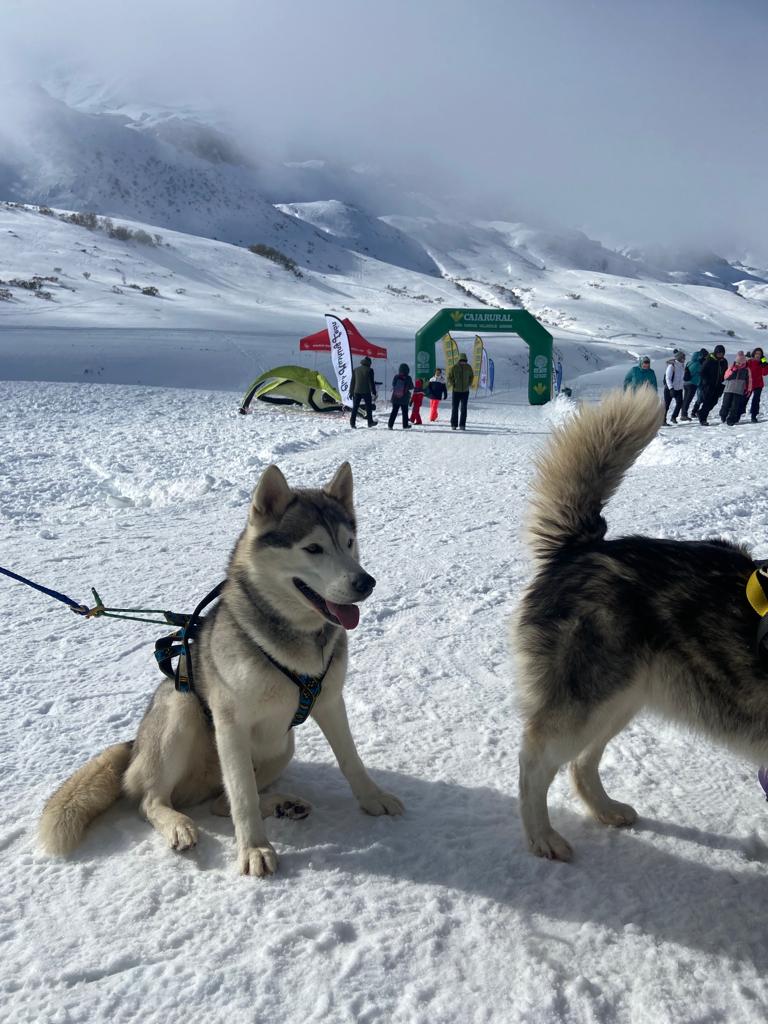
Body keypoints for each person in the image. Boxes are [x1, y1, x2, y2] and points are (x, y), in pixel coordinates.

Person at [697, 344, 728, 425]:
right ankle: (703, 418)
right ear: (715, 352)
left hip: (719, 386)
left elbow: (726, 373)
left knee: (714, 402)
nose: (720, 354)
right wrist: (707, 381)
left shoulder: (724, 361)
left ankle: (701, 412)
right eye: (718, 353)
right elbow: (702, 372)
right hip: (709, 385)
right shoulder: (709, 360)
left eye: (722, 353)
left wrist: (723, 382)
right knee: (707, 402)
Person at [720, 351, 750, 426]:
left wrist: (748, 389)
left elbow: (750, 380)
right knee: (726, 404)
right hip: (729, 389)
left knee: (735, 405)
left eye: (741, 363)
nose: (739, 364)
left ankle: (731, 419)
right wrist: (732, 371)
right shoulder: (731, 367)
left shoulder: (746, 370)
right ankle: (723, 415)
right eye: (737, 362)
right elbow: (726, 376)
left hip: (739, 390)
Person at [448, 353, 474, 430]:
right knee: (455, 408)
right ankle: (454, 424)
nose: (463, 362)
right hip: (456, 391)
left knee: (463, 408)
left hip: (465, 392)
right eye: (461, 361)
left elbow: (471, 376)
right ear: (459, 360)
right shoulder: (454, 367)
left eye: (464, 361)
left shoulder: (468, 367)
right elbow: (449, 377)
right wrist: (453, 384)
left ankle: (462, 424)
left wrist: (469, 383)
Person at [349, 356, 377, 428]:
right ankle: (370, 422)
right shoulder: (370, 370)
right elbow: (371, 382)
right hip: (366, 391)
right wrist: (374, 392)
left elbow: (353, 382)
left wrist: (350, 392)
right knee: (368, 407)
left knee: (355, 407)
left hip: (356, 391)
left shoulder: (355, 370)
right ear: (369, 363)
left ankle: (352, 423)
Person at [681, 348, 708, 420]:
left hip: (686, 383)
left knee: (685, 399)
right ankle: (684, 415)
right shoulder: (698, 364)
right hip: (692, 384)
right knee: (688, 400)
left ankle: (683, 414)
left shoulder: (689, 362)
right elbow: (701, 373)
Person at [388, 363, 414, 430]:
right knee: (405, 412)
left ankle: (390, 425)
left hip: (395, 397)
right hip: (404, 398)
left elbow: (393, 384)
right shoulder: (408, 378)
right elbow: (411, 387)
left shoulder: (396, 377)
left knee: (394, 411)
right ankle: (405, 425)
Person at [745, 346, 768, 422]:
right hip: (749, 384)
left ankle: (753, 416)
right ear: (753, 354)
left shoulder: (762, 362)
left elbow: (765, 374)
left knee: (756, 400)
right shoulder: (749, 361)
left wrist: (765, 364)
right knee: (744, 399)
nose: (758, 355)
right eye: (756, 353)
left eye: (760, 354)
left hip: (758, 384)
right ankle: (737, 415)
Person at [664, 350, 686, 424]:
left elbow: (681, 378)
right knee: (667, 405)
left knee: (679, 403)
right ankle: (663, 420)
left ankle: (673, 417)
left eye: (684, 358)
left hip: (679, 389)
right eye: (683, 358)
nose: (684, 359)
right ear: (679, 358)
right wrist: (671, 389)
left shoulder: (682, 366)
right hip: (669, 389)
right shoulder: (671, 366)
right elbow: (668, 378)